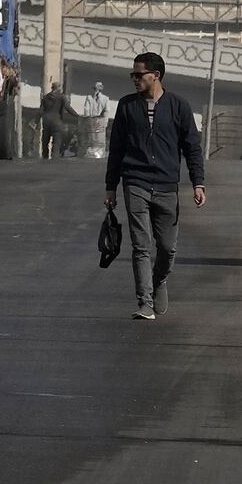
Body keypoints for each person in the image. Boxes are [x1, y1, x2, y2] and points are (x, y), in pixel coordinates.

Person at [104, 52, 207, 320]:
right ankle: (145, 303)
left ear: (156, 75)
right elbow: (116, 149)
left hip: (166, 185)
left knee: (167, 248)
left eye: (139, 75)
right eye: (133, 75)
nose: (134, 79)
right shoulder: (126, 106)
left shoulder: (179, 106)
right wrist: (110, 186)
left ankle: (159, 280)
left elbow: (192, 148)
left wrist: (198, 183)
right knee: (141, 246)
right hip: (135, 182)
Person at [40, 82, 77, 159]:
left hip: (46, 121)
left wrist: (36, 121)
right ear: (59, 88)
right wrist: (77, 116)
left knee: (45, 142)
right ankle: (54, 160)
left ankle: (44, 159)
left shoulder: (45, 97)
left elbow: (40, 111)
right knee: (56, 143)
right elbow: (68, 108)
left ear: (52, 88)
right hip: (57, 121)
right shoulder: (61, 97)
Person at [82, 81, 112, 159]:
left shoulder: (105, 98)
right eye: (95, 88)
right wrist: (88, 119)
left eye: (98, 87)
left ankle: (99, 155)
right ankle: (90, 154)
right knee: (91, 138)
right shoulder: (89, 97)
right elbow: (86, 109)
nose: (96, 89)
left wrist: (105, 122)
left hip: (100, 122)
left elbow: (107, 111)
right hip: (91, 121)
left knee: (99, 139)